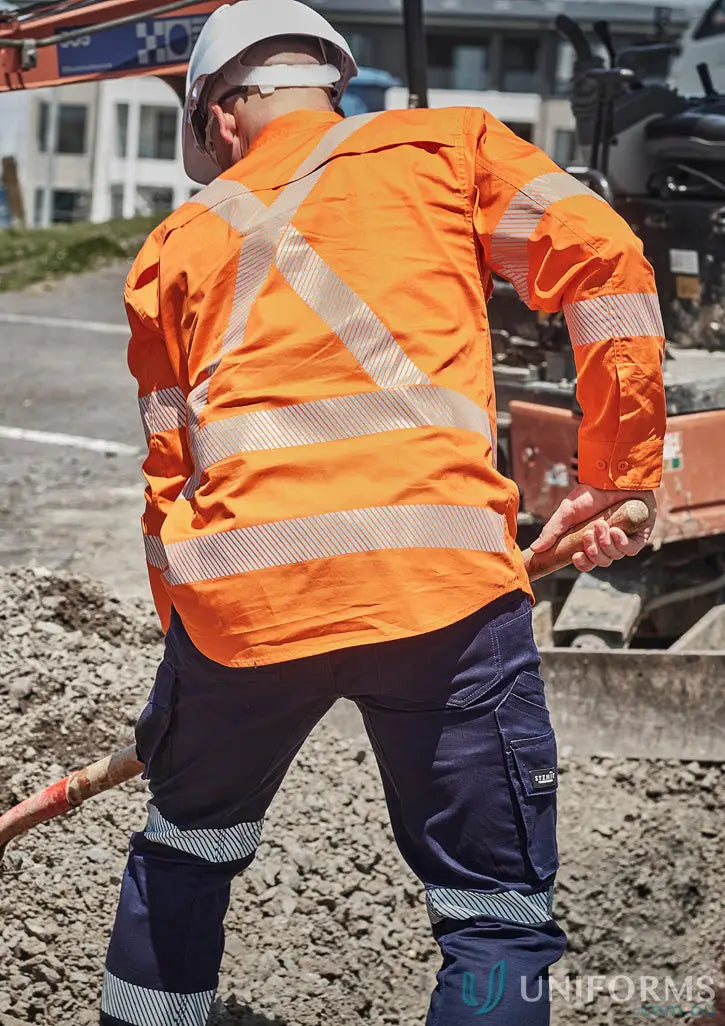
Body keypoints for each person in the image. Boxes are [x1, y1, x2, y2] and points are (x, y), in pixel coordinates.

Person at [101, 2, 665, 1023]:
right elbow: (606, 258)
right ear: (327, 82)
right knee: (491, 911)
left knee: (185, 852)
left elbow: (166, 478)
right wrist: (615, 467)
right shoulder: (446, 147)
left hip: (241, 614)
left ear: (220, 119)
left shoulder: (172, 246)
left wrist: (187, 661)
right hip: (439, 596)